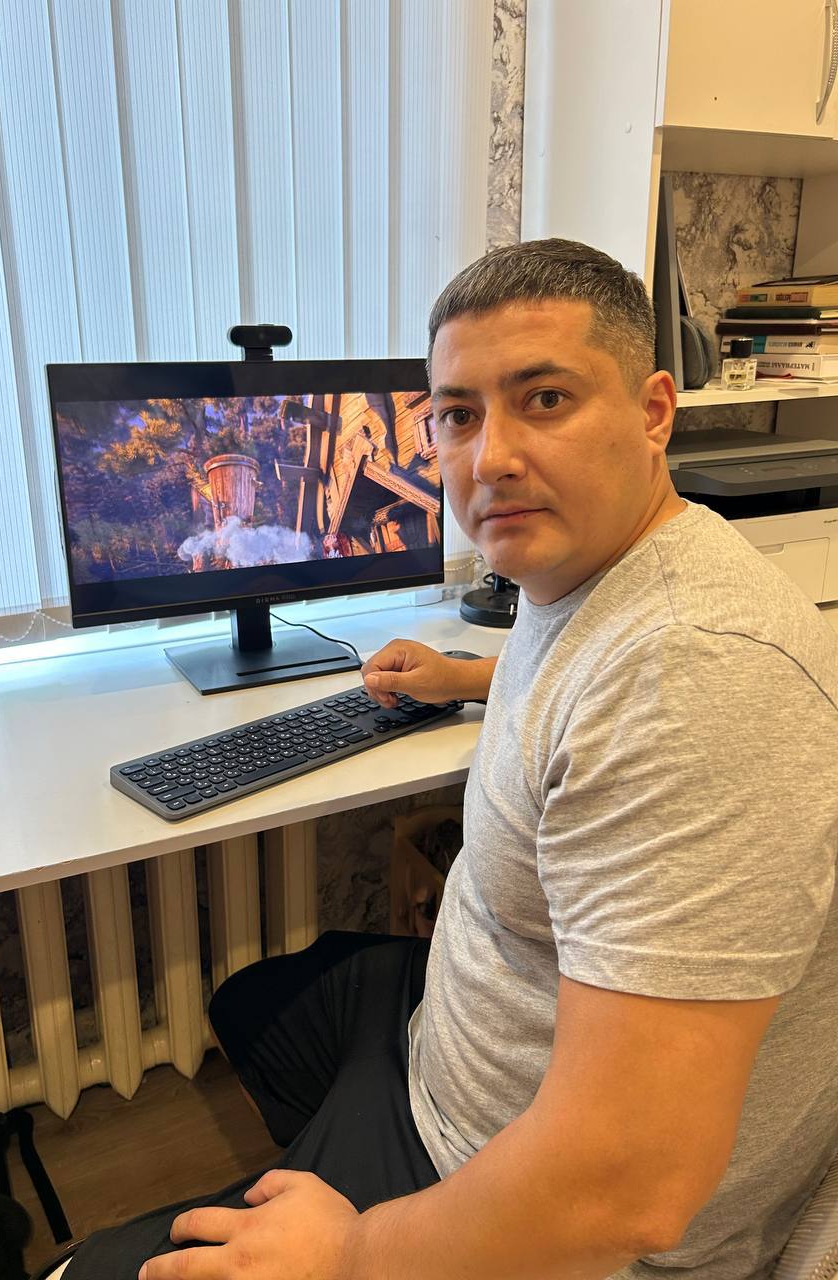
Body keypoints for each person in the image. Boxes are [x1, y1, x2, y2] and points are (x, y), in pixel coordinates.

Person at [62, 240, 838, 1280]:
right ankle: (325, 1161)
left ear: (656, 410)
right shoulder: (600, 569)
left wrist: (350, 1251)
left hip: (524, 1187)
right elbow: (577, 677)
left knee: (91, 1269)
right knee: (253, 1003)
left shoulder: (695, 677)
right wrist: (462, 676)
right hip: (449, 1039)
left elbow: (627, 1188)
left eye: (546, 399)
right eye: (458, 415)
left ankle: (355, 1202)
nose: (491, 457)